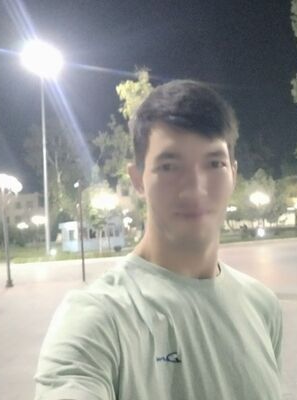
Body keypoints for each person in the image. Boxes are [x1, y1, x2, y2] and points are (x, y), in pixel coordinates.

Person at [34, 80, 283, 400]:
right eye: (169, 167)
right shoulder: (99, 317)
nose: (195, 189)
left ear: (233, 173)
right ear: (138, 179)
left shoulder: (262, 306)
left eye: (214, 164)